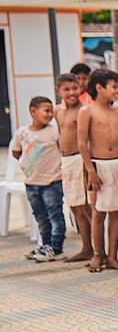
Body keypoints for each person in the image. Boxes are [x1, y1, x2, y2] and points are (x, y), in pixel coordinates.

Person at [78, 69, 118, 273]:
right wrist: (90, 170)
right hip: (97, 165)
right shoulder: (87, 112)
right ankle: (97, 254)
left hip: (116, 165)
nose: (117, 90)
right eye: (114, 86)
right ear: (99, 88)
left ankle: (113, 256)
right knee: (98, 211)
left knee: (116, 211)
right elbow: (82, 143)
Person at [13, 96, 65, 262]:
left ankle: (57, 247)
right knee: (40, 216)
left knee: (55, 214)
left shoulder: (53, 131)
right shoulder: (22, 132)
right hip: (32, 184)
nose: (50, 114)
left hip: (52, 182)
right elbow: (16, 151)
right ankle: (46, 244)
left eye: (52, 111)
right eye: (46, 111)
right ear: (33, 111)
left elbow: (62, 149)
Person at [55, 74, 93, 263]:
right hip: (66, 161)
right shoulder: (58, 111)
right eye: (66, 89)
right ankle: (86, 247)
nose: (71, 93)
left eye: (74, 88)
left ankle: (95, 247)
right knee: (75, 206)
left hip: (80, 161)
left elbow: (88, 139)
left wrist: (88, 166)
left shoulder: (83, 111)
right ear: (58, 91)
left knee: (86, 207)